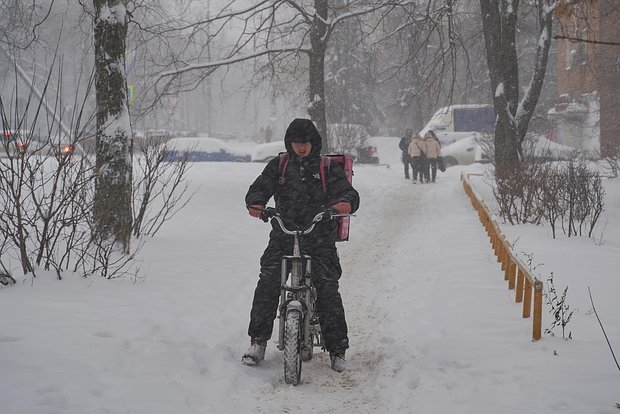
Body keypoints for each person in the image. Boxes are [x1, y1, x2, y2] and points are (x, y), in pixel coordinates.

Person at [242, 118, 360, 373]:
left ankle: (337, 349)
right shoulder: (280, 165)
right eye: (297, 143)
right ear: (290, 143)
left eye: (305, 143)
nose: (301, 147)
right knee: (268, 281)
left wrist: (344, 203)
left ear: (313, 142)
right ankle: (258, 342)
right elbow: (260, 187)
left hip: (318, 235)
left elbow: (348, 192)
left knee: (327, 287)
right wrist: (256, 203)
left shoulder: (326, 167)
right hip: (284, 232)